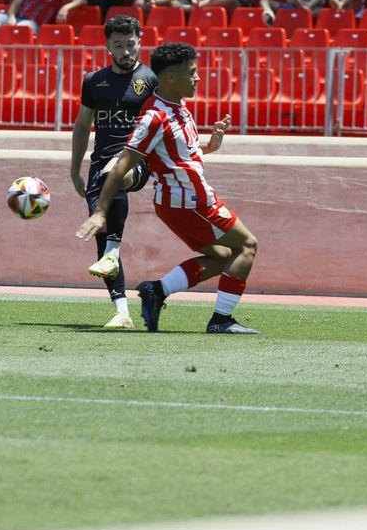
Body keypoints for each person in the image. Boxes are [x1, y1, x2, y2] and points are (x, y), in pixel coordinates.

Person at [76, 41, 258, 336]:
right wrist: (100, 212)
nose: (197, 78)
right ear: (171, 77)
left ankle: (156, 291)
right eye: (192, 73)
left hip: (183, 202)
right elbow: (123, 163)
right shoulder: (154, 117)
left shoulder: (178, 108)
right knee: (248, 245)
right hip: (190, 202)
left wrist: (210, 145)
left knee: (224, 256)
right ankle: (221, 320)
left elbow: (178, 153)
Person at [69, 14, 157, 330]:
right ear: (108, 45)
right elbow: (82, 125)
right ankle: (122, 312)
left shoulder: (151, 79)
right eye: (118, 45)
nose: (125, 51)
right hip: (99, 164)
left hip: (138, 162)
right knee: (100, 237)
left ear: (140, 41)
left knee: (117, 170)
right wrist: (74, 169)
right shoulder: (95, 81)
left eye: (130, 44)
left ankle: (113, 248)